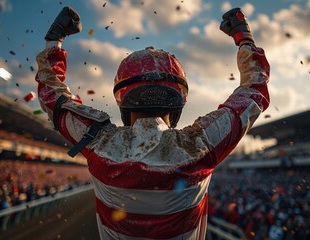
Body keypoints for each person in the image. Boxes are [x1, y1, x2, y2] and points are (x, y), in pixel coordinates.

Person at [35, 6, 270, 240]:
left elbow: (51, 95)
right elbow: (254, 92)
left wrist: (54, 40)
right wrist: (243, 36)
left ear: (122, 98)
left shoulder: (98, 142)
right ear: (179, 99)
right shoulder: (202, 145)